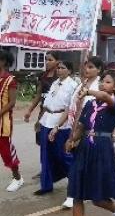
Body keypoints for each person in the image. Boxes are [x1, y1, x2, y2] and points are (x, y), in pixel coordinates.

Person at [61, 70, 115, 216]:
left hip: (102, 149)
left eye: (108, 82)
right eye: (103, 81)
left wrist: (88, 91)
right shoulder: (90, 104)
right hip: (85, 149)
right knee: (77, 192)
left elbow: (105, 96)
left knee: (98, 198)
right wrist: (71, 139)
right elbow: (81, 125)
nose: (104, 84)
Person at [61, 56, 103, 208]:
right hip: (74, 127)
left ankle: (74, 194)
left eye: (91, 67)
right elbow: (73, 106)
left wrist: (75, 136)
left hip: (86, 131)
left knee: (78, 165)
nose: (87, 69)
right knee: (78, 163)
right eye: (86, 66)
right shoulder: (81, 85)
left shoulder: (98, 88)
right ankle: (81, 191)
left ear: (99, 70)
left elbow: (86, 112)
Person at [35, 61, 77, 196]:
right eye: (58, 68)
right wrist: (39, 120)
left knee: (62, 154)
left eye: (62, 68)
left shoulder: (72, 85)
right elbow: (47, 103)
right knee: (45, 154)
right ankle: (46, 185)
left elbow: (68, 108)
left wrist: (58, 126)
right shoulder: (55, 83)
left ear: (69, 71)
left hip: (61, 122)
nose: (59, 70)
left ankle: (76, 179)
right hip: (47, 119)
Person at [24, 51, 59, 179]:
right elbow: (39, 95)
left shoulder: (59, 78)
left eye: (50, 59)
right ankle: (45, 167)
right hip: (42, 114)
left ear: (57, 62)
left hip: (55, 114)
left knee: (53, 141)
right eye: (46, 59)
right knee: (42, 141)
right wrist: (29, 110)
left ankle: (54, 167)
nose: (47, 62)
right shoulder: (43, 76)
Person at [0, 50, 23, 192]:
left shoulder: (10, 80)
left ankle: (17, 178)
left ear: (4, 61)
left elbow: (12, 103)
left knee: (6, 152)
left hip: (3, 122)